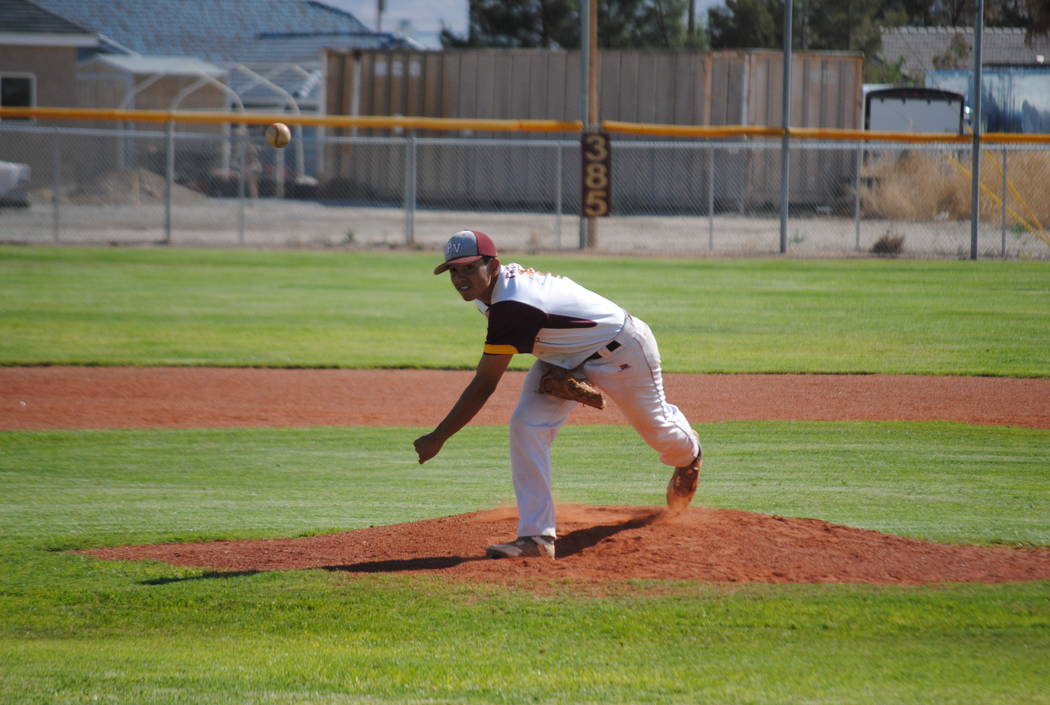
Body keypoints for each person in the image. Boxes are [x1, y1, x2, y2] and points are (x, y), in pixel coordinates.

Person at [413, 230, 702, 559]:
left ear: (492, 265)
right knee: (526, 425)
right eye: (453, 270)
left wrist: (439, 436)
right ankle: (536, 539)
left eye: (468, 268)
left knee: (658, 430)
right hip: (563, 357)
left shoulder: (512, 304)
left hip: (622, 352)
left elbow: (485, 383)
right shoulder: (493, 290)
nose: (460, 278)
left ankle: (689, 453)